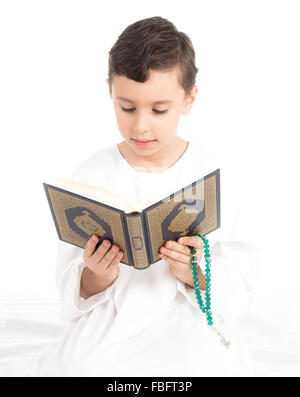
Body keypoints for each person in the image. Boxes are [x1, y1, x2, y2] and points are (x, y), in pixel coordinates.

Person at [32, 16, 255, 377]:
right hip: (112, 319)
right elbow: (72, 288)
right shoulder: (92, 174)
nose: (141, 126)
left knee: (201, 365)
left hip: (184, 317)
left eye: (159, 110)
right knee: (85, 366)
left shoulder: (210, 173)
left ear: (188, 98)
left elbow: (239, 277)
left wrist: (191, 271)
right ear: (111, 93)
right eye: (127, 108)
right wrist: (96, 276)